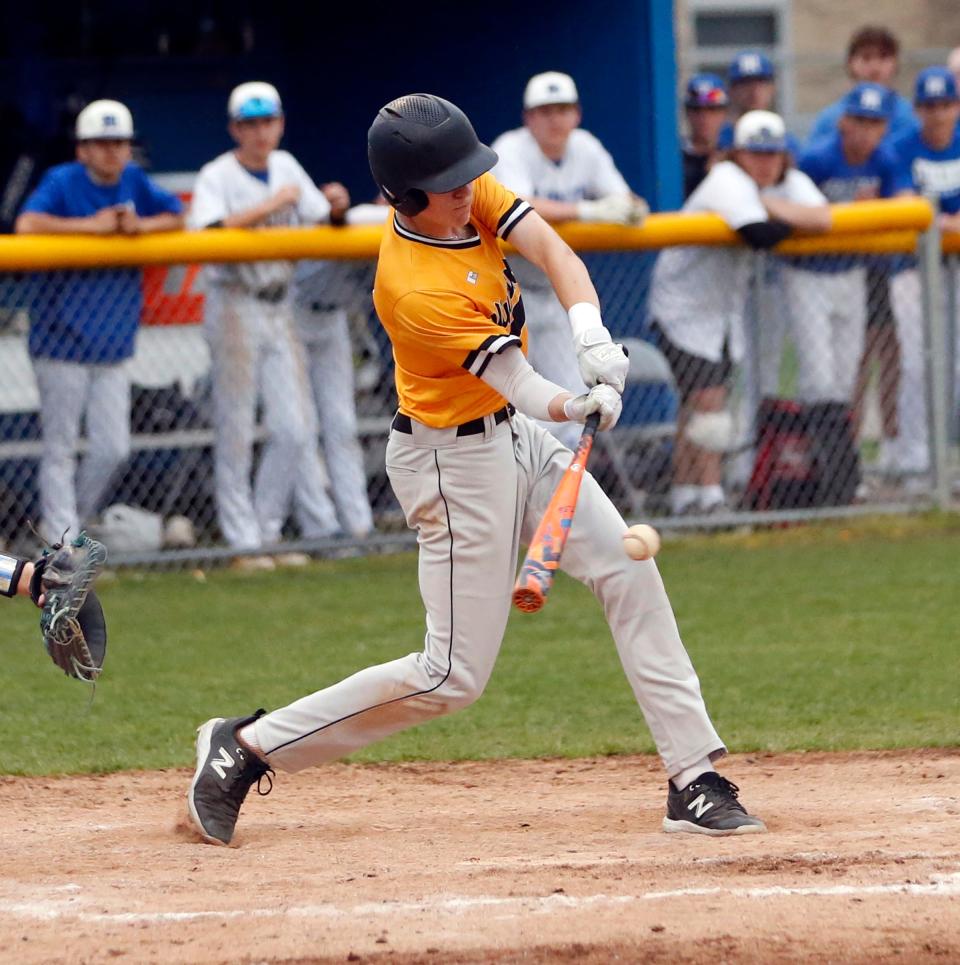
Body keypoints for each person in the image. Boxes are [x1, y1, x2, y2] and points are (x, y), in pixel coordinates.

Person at [185, 92, 766, 847]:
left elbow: (556, 253)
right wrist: (577, 401)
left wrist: (591, 335)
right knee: (449, 676)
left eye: (470, 177)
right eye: (452, 184)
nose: (471, 191)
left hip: (516, 437)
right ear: (405, 193)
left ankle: (693, 777)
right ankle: (249, 743)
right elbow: (521, 383)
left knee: (629, 574)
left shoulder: (462, 190)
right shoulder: (412, 287)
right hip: (450, 464)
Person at [15, 100, 184, 544]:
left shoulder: (134, 180)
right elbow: (27, 225)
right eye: (101, 144)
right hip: (60, 340)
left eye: (119, 143)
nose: (112, 152)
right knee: (61, 448)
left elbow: (178, 215)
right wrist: (92, 226)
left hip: (112, 342)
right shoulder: (63, 180)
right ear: (83, 149)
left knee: (113, 447)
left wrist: (140, 227)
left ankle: (70, 524)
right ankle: (61, 542)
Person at [648, 111, 832, 516]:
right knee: (708, 401)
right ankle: (710, 497)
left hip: (721, 312)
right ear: (737, 155)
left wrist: (770, 203)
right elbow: (759, 234)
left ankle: (685, 495)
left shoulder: (783, 184)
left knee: (698, 405)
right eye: (755, 153)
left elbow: (824, 218)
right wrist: (778, 211)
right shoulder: (727, 181)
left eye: (772, 153)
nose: (765, 162)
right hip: (683, 307)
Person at [189, 82, 341, 569]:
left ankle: (267, 531)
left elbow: (323, 218)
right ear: (235, 129)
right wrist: (271, 206)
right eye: (249, 124)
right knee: (235, 428)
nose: (260, 132)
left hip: (280, 303)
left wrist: (335, 203)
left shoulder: (287, 166)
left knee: (295, 429)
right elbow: (208, 233)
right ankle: (242, 543)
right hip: (235, 301)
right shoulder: (218, 174)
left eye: (267, 122)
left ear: (280, 123)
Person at [490, 71, 648, 450]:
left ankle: (552, 499)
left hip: (557, 294)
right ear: (529, 118)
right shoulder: (510, 147)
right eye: (544, 111)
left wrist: (626, 208)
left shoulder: (586, 147)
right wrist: (589, 211)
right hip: (511, 293)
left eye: (562, 110)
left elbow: (628, 203)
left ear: (576, 114)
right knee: (515, 406)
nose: (554, 120)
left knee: (570, 401)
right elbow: (518, 205)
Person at [791, 84, 910, 408]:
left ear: (884, 127)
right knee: (817, 374)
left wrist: (869, 212)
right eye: (859, 120)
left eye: (873, 123)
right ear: (843, 121)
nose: (865, 131)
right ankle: (813, 448)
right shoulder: (818, 158)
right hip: (809, 272)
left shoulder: (884, 159)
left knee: (847, 372)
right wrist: (851, 210)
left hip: (852, 269)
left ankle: (837, 454)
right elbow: (794, 209)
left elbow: (905, 203)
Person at [291, 189, 385, 539]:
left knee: (342, 425)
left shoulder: (414, 233)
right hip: (294, 313)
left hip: (335, 322)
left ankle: (359, 525)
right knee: (301, 427)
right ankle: (320, 528)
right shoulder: (368, 218)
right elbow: (353, 213)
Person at [887, 66, 960, 481]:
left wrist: (934, 219)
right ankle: (915, 458)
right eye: (930, 106)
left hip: (956, 266)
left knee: (953, 366)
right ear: (917, 109)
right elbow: (903, 207)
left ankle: (941, 456)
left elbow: (924, 214)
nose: (938, 114)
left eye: (945, 104)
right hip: (911, 269)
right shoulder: (901, 146)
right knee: (917, 362)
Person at [806, 26, 917, 146]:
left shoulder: (912, 118)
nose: (875, 67)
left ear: (895, 63)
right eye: (866, 58)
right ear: (850, 63)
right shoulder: (831, 119)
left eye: (883, 57)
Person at [717, 52, 801, 155]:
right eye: (745, 84)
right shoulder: (718, 141)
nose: (754, 91)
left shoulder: (787, 143)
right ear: (731, 90)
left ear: (773, 88)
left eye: (761, 83)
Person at [681, 73, 729, 199]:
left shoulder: (733, 155)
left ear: (724, 113)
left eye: (712, 110)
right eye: (696, 110)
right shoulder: (674, 158)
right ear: (687, 113)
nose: (704, 118)